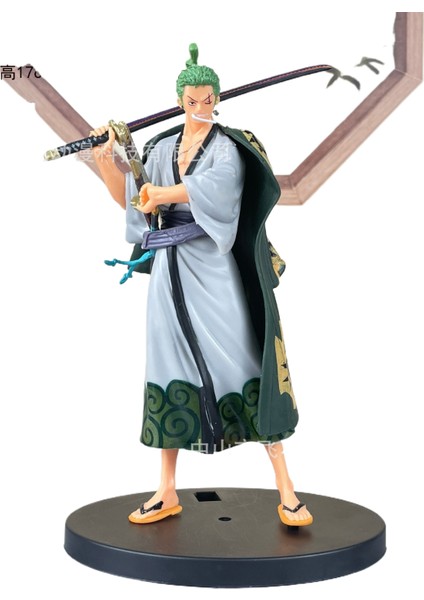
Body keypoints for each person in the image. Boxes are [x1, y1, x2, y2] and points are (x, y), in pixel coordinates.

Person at [90, 44, 313, 527]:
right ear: (178, 101)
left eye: (207, 99)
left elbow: (219, 190)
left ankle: (287, 490)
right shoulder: (159, 148)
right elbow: (135, 203)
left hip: (211, 268)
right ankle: (166, 489)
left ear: (217, 98)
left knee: (244, 361)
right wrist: (106, 159)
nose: (200, 108)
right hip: (169, 273)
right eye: (191, 101)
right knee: (168, 366)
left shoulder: (226, 147)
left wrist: (162, 193)